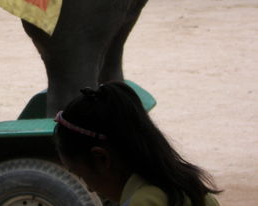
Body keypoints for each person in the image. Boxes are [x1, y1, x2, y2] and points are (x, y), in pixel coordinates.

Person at [53, 81, 221, 206]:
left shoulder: (142, 202)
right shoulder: (196, 192)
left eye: (81, 175)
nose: (89, 189)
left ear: (101, 158)